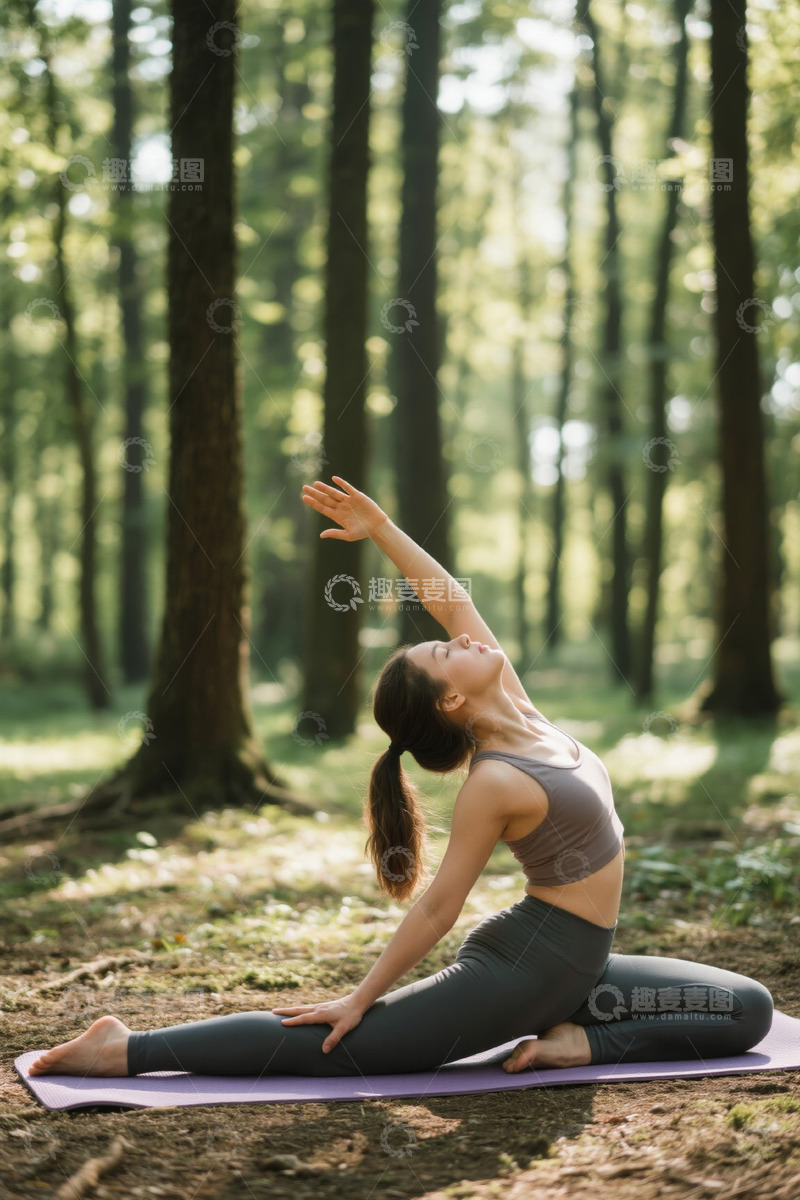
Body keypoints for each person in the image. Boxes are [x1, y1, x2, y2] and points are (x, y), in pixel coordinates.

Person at [28, 476, 773, 1080]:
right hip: (527, 969)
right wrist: (361, 995)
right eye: (447, 653)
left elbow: (448, 595)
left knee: (748, 1009)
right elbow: (437, 908)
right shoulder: (498, 779)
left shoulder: (519, 706)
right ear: (454, 700)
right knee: (344, 1046)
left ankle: (578, 1040)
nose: (465, 639)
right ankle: (126, 1048)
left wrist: (380, 528)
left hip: (584, 964)